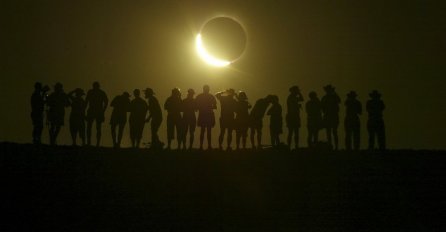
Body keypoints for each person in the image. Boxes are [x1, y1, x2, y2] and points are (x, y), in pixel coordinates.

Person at [85, 82, 108, 147]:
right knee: (96, 127)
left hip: (94, 111)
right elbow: (106, 102)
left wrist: (103, 110)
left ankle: (92, 142)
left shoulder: (91, 92)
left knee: (92, 127)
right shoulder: (101, 92)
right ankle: (95, 143)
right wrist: (103, 110)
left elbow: (86, 101)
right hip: (96, 111)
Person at [195, 85, 217, 150]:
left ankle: (202, 146)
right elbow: (215, 106)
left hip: (203, 115)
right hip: (208, 115)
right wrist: (209, 107)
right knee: (208, 131)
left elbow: (196, 107)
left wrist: (202, 107)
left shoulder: (199, 96)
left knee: (203, 131)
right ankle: (208, 146)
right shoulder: (211, 96)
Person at [321, 84, 341, 150]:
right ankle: (332, 146)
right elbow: (322, 107)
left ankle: (335, 146)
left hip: (331, 116)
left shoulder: (330, 97)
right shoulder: (326, 98)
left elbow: (339, 100)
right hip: (330, 116)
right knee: (330, 132)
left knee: (333, 132)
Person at [286, 85, 304, 150]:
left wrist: (299, 93)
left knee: (295, 132)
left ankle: (294, 146)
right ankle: (290, 146)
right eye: (296, 90)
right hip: (292, 116)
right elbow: (301, 99)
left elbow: (302, 99)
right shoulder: (291, 97)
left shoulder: (292, 97)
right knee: (292, 132)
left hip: (294, 116)